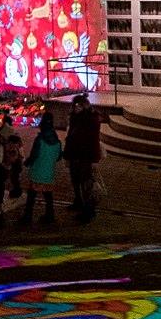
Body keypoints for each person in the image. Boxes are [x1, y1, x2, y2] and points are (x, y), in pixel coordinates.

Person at [64, 94, 102, 223]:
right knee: (75, 181)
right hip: (75, 154)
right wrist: (67, 154)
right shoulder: (75, 118)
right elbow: (70, 136)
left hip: (85, 157)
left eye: (78, 106)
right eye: (74, 106)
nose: (75, 108)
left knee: (86, 184)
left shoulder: (90, 120)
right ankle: (78, 202)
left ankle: (88, 211)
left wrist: (94, 160)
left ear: (84, 106)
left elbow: (92, 141)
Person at [22, 109, 63, 226]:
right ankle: (50, 215)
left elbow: (34, 155)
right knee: (48, 196)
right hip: (49, 172)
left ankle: (27, 216)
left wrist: (27, 163)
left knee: (31, 196)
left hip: (37, 171)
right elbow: (59, 157)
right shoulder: (57, 142)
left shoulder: (39, 140)